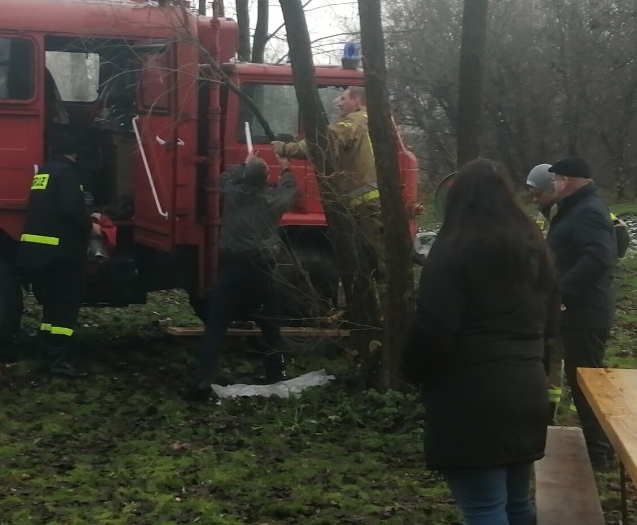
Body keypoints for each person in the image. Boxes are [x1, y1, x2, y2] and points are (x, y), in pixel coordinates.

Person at [402, 159, 558, 525]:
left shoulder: (453, 248)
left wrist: (411, 371)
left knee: (484, 509)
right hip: (527, 391)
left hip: (471, 399)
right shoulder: (535, 247)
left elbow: (434, 328)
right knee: (516, 505)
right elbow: (551, 322)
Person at [188, 151, 298, 399]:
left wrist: (243, 163)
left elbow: (223, 178)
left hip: (232, 269)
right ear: (267, 177)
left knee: (216, 326)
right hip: (261, 270)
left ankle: (204, 378)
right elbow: (290, 190)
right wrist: (286, 168)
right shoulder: (272, 200)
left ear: (246, 176)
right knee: (270, 325)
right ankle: (275, 374)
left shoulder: (233, 194)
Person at [271, 85, 381, 304]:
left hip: (364, 206)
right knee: (371, 259)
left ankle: (380, 314)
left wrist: (283, 148)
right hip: (369, 205)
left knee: (373, 260)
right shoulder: (371, 123)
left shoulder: (353, 123)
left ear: (357, 101)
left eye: (342, 98)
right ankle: (370, 310)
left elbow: (322, 142)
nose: (337, 103)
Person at [546, 156, 618, 470]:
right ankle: (600, 447)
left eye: (558, 178)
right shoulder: (577, 209)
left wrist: (564, 292)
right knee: (582, 381)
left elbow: (600, 258)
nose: (555, 184)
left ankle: (599, 452)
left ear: (571, 180)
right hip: (579, 311)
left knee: (587, 382)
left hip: (585, 313)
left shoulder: (587, 212)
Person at [16, 129, 102, 377]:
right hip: (60, 255)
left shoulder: (44, 171)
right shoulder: (68, 173)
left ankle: (47, 354)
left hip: (37, 254)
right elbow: (70, 209)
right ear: (74, 153)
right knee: (66, 305)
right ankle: (58, 360)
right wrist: (91, 227)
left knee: (51, 307)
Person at [525, 163, 564, 422]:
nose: (535, 199)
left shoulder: (564, 213)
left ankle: (550, 413)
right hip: (548, 296)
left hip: (561, 298)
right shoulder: (549, 213)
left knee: (555, 357)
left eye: (539, 193)